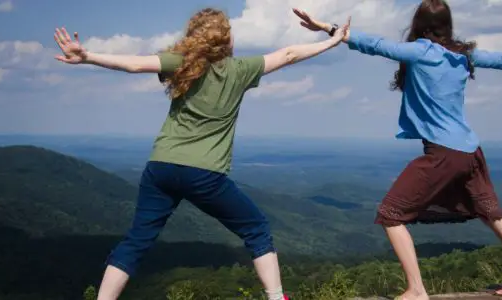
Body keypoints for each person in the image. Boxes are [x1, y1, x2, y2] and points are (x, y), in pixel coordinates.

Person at [52, 8, 350, 300]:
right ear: (226, 40)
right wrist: (332, 40)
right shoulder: (239, 70)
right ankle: (275, 297)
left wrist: (88, 56)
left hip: (161, 168)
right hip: (204, 174)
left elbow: (134, 65)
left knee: (136, 241)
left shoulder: (180, 63)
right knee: (257, 229)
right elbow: (288, 55)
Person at [292, 1, 502, 299]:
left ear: (418, 24)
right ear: (447, 25)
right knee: (492, 214)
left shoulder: (421, 51)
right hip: (471, 151)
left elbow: (376, 44)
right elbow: (499, 59)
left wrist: (329, 29)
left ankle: (417, 289)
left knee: (390, 213)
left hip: (444, 153)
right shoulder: (462, 55)